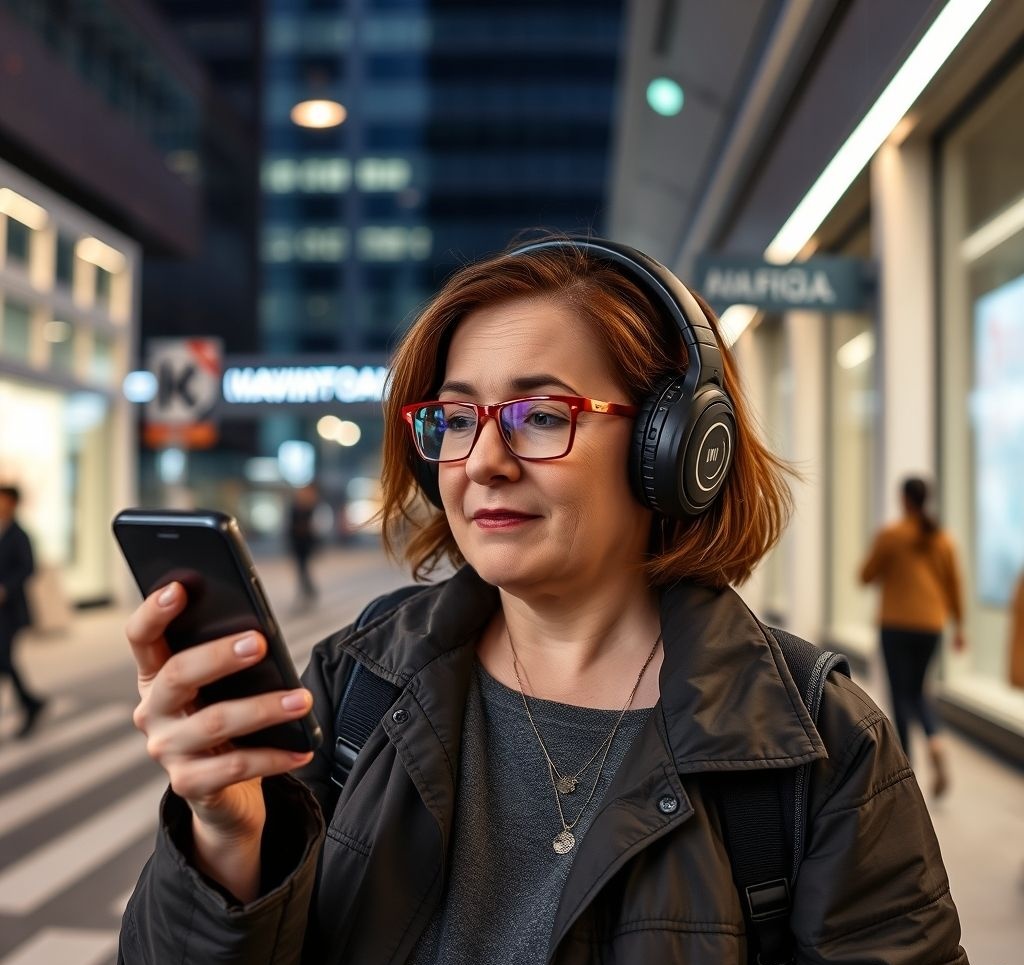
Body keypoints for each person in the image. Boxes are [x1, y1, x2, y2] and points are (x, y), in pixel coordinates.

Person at [118, 238, 967, 964]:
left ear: (673, 447)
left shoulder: (817, 746)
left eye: (539, 414)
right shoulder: (358, 686)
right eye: (457, 419)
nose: (484, 460)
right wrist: (227, 838)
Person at [859, 476, 965, 798]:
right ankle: (935, 741)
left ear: (904, 500)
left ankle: (905, 772)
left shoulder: (891, 536)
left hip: (896, 625)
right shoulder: (943, 539)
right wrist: (960, 627)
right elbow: (955, 585)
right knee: (918, 691)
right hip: (931, 626)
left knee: (899, 695)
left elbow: (866, 575)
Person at [0, 485, 46, 738]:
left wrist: (6, 588)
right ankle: (31, 703)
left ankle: (30, 704)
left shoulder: (20, 535)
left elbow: (28, 568)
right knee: (4, 662)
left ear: (13, 503)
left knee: (4, 660)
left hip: (11, 611)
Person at [286, 483, 320, 603]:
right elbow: (291, 526)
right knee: (302, 568)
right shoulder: (296, 507)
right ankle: (308, 590)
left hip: (305, 543)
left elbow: (311, 527)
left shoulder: (308, 508)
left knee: (303, 568)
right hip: (297, 543)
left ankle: (309, 590)